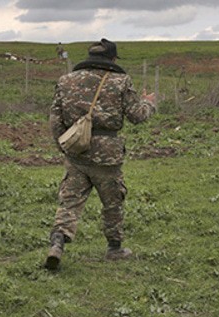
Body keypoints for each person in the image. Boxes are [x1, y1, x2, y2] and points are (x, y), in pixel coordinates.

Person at [45, 38, 156, 270]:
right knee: (112, 202)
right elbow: (137, 116)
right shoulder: (120, 81)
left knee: (70, 202)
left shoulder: (65, 81)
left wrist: (65, 146)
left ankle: (57, 243)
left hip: (76, 151)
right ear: (113, 59)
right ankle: (114, 249)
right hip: (107, 156)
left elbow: (55, 120)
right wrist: (148, 103)